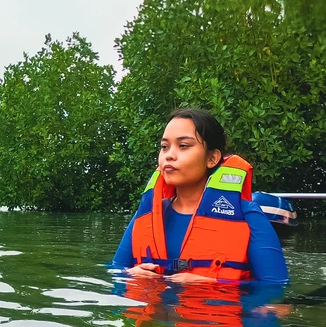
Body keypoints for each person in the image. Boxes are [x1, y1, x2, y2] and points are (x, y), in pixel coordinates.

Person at [111, 108, 288, 283]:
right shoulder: (145, 216)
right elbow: (114, 270)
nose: (169, 155)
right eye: (164, 147)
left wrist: (212, 284)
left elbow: (275, 288)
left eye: (183, 146)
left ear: (211, 158)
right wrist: (130, 274)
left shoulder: (248, 215)